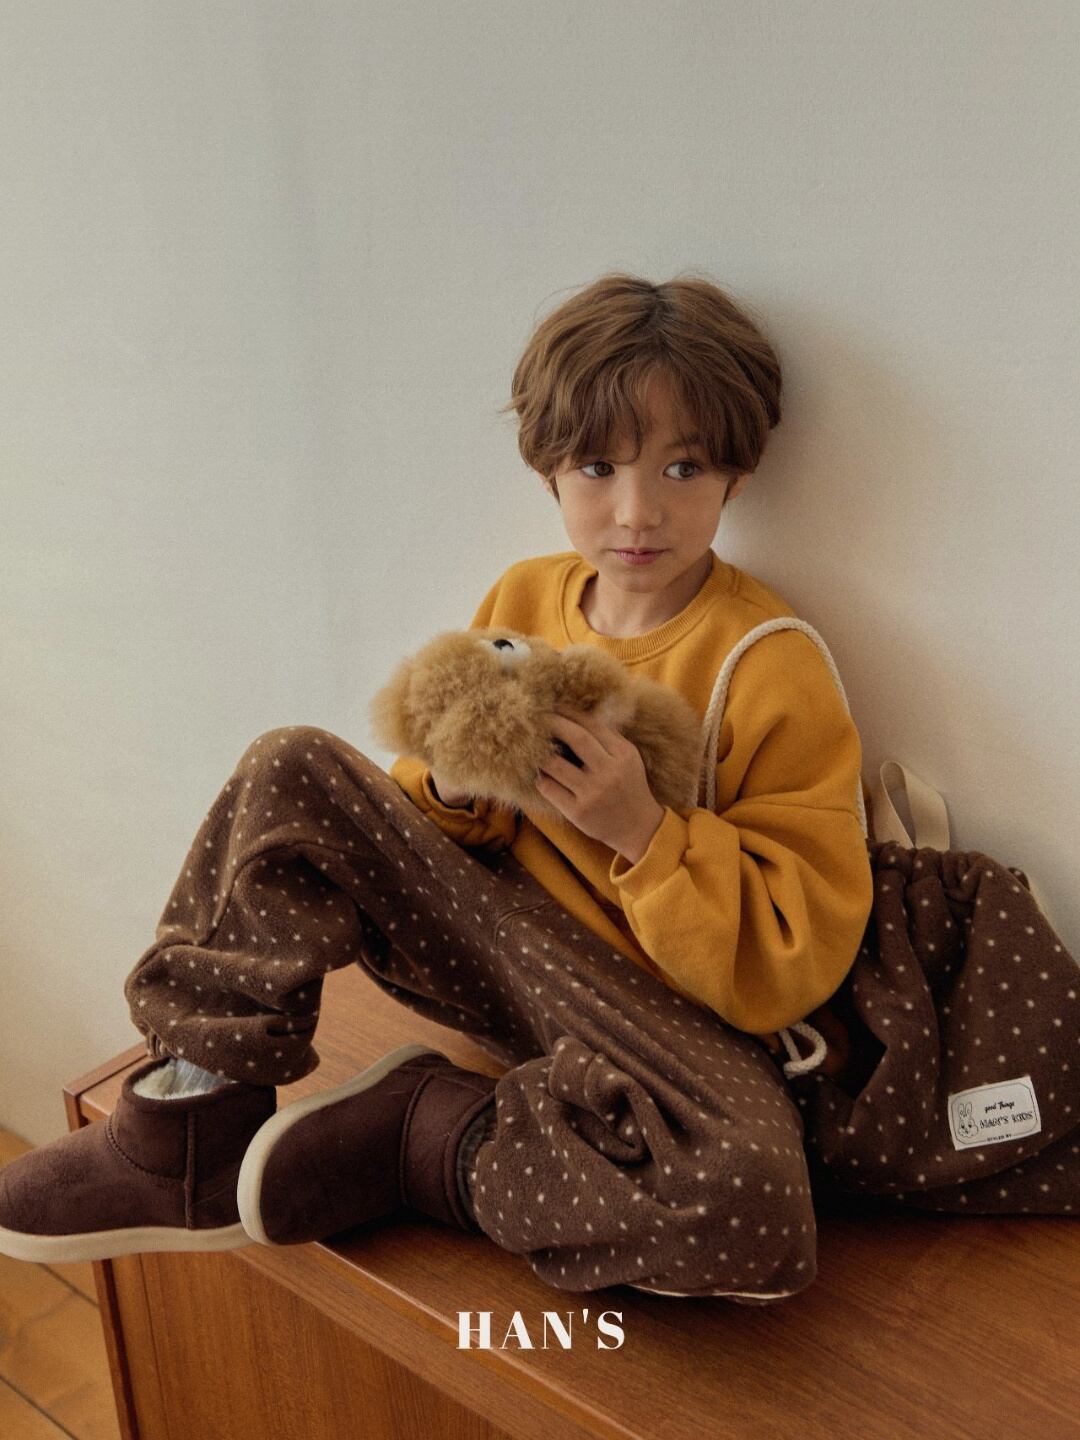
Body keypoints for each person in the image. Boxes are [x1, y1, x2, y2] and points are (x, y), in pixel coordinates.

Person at [0, 272, 873, 1301]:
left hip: (648, 1021)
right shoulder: (525, 595)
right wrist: (458, 787)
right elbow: (424, 809)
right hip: (488, 948)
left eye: (683, 468)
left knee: (755, 1211)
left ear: (738, 473)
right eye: (598, 467)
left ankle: (424, 1132)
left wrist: (645, 831)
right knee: (291, 764)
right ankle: (188, 1125)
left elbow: (793, 961)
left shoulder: (769, 662)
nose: (638, 511)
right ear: (549, 470)